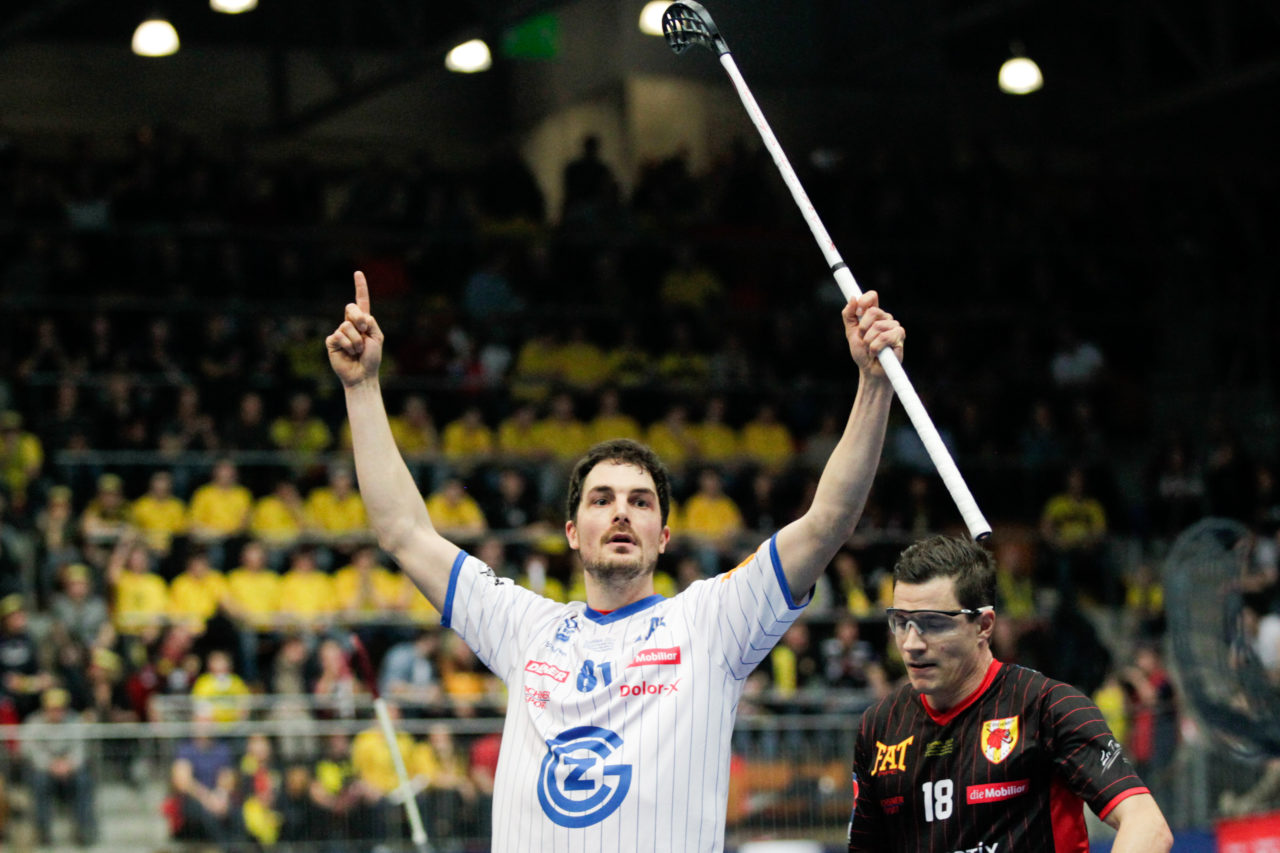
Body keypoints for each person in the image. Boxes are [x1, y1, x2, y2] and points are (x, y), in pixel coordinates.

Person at [326, 270, 902, 851]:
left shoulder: (712, 622)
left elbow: (828, 521)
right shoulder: (524, 627)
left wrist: (874, 385)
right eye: (601, 500)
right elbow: (403, 532)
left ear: (664, 536)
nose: (622, 512)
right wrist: (363, 388)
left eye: (640, 502)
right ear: (572, 533)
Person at [847, 535, 1172, 853]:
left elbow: (1147, 825)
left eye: (933, 623)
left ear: (983, 625)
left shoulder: (1050, 707)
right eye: (901, 622)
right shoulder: (879, 726)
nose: (911, 644)